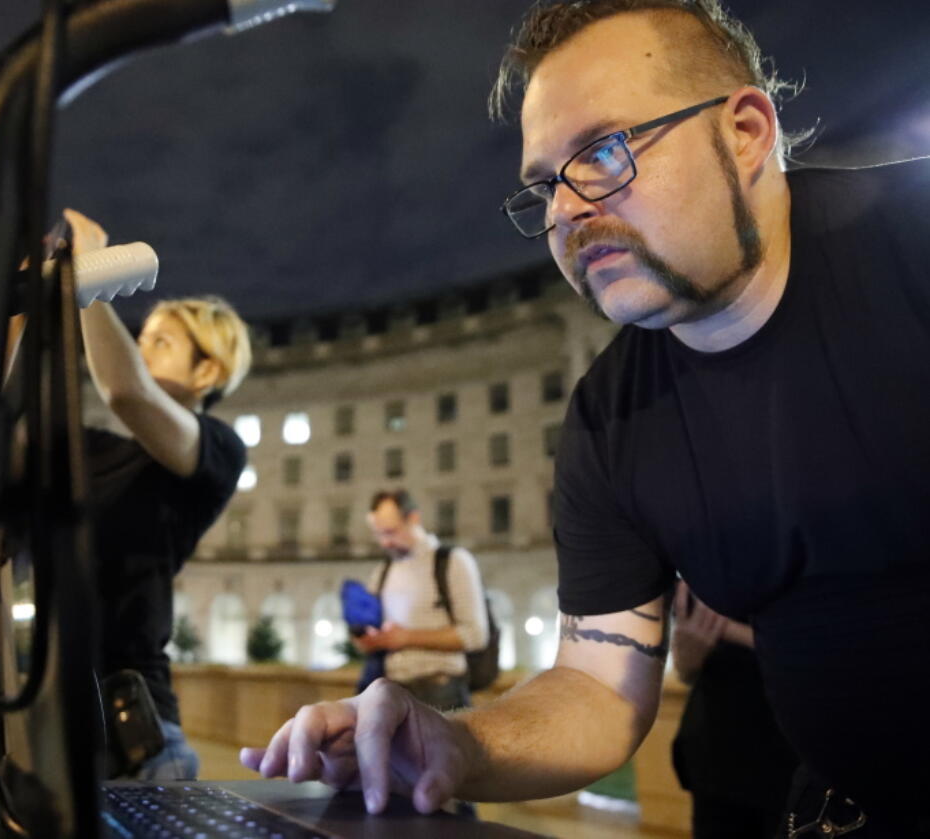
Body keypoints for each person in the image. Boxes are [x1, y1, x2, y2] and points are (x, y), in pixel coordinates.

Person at [239, 2, 930, 834]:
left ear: (746, 133)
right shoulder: (609, 417)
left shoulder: (909, 243)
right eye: (544, 184)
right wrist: (456, 741)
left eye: (603, 153)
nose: (565, 212)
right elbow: (601, 684)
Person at [64, 208, 252, 780]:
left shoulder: (219, 451)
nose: (140, 351)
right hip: (50, 729)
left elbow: (127, 390)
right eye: (139, 340)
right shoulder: (93, 452)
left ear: (206, 372)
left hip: (138, 743)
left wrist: (88, 274)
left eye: (160, 342)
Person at [670, 580, 797, 838]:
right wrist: (687, 656)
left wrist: (727, 629)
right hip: (718, 754)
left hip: (799, 758)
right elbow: (688, 671)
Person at [353, 490, 489, 711]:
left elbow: (475, 634)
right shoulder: (383, 571)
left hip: (440, 690)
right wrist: (368, 639)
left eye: (391, 532)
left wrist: (405, 638)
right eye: (378, 534)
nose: (385, 542)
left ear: (413, 518)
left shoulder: (453, 562)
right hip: (392, 691)